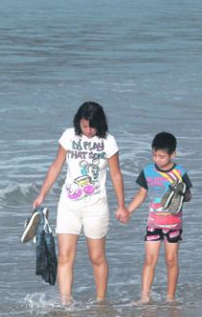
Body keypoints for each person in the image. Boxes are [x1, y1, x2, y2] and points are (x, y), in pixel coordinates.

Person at [32, 101, 129, 305]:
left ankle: (101, 302)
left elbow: (116, 175)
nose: (88, 130)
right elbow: (56, 166)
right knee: (66, 256)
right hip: (68, 204)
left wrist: (122, 205)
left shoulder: (108, 142)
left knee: (97, 257)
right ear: (79, 122)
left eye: (92, 127)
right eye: (85, 126)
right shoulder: (69, 136)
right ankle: (66, 302)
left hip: (96, 206)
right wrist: (42, 194)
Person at [127, 132, 193, 304]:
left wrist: (182, 194)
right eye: (155, 155)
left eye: (162, 156)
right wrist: (128, 211)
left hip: (174, 224)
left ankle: (170, 297)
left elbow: (188, 196)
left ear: (173, 154)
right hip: (153, 223)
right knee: (150, 259)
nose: (157, 159)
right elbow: (141, 194)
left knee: (171, 260)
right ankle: (144, 297)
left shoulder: (180, 172)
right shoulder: (147, 172)